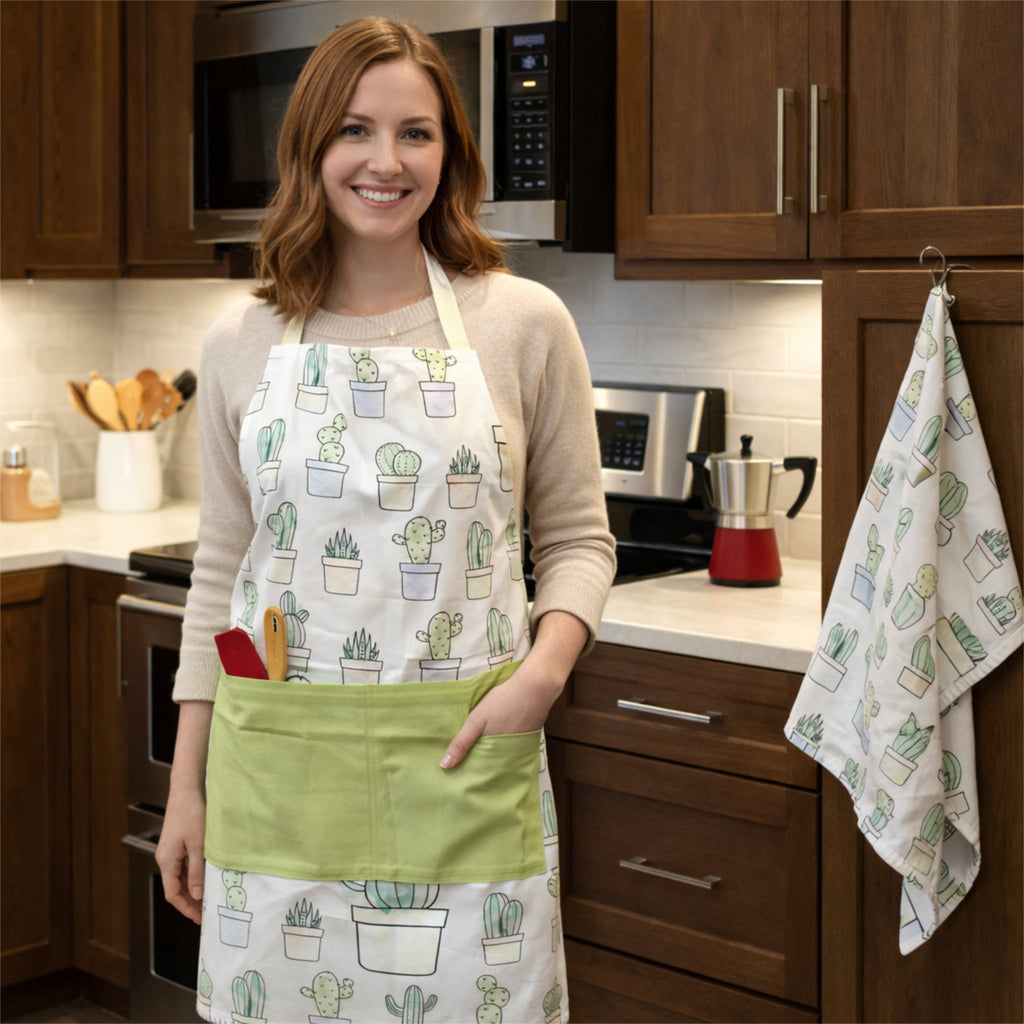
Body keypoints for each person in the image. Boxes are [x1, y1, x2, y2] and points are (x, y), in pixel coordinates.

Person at [156, 16, 615, 1024]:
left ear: (449, 154)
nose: (386, 161)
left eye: (416, 133)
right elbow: (222, 574)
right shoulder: (241, 340)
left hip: (464, 761)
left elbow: (580, 540)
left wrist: (541, 678)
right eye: (355, 130)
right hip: (280, 777)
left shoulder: (523, 322)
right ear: (311, 148)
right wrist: (187, 788)